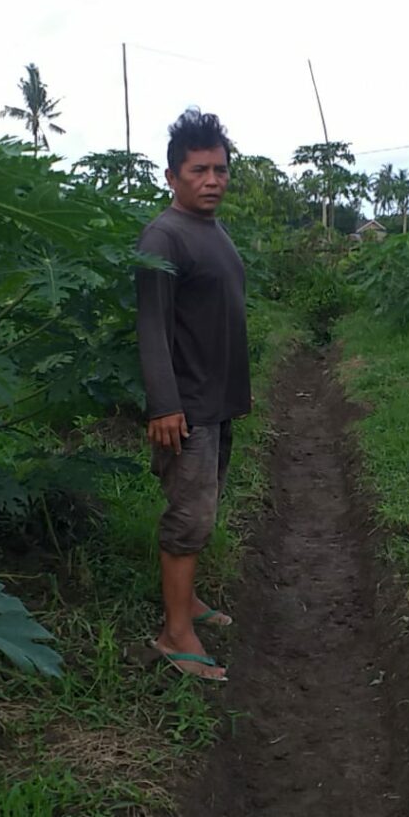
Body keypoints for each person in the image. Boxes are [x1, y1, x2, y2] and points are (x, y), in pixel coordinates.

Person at [136, 108, 250, 683]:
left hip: (217, 400)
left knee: (202, 512)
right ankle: (174, 634)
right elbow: (152, 326)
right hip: (187, 408)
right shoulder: (164, 235)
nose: (214, 180)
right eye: (200, 170)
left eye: (221, 169)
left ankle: (189, 603)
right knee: (187, 517)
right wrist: (164, 404)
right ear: (172, 175)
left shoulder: (211, 228)